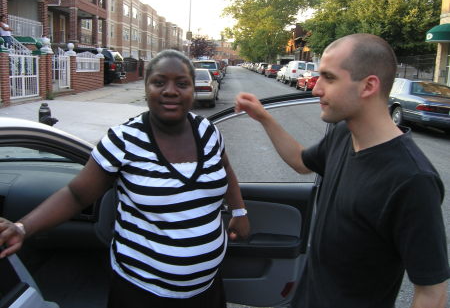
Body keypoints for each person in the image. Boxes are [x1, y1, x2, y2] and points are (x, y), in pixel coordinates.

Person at [0, 49, 250, 308]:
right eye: (159, 82)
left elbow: (226, 169)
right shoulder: (123, 140)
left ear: (193, 89)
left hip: (206, 290)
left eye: (182, 83)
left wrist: (239, 211)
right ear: (146, 88)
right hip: (141, 292)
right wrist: (22, 228)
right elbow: (76, 195)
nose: (171, 90)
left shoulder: (208, 132)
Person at [235, 33, 449, 308]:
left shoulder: (412, 179)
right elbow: (301, 161)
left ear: (368, 86)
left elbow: (432, 293)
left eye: (330, 78)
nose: (316, 89)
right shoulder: (342, 133)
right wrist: (264, 117)